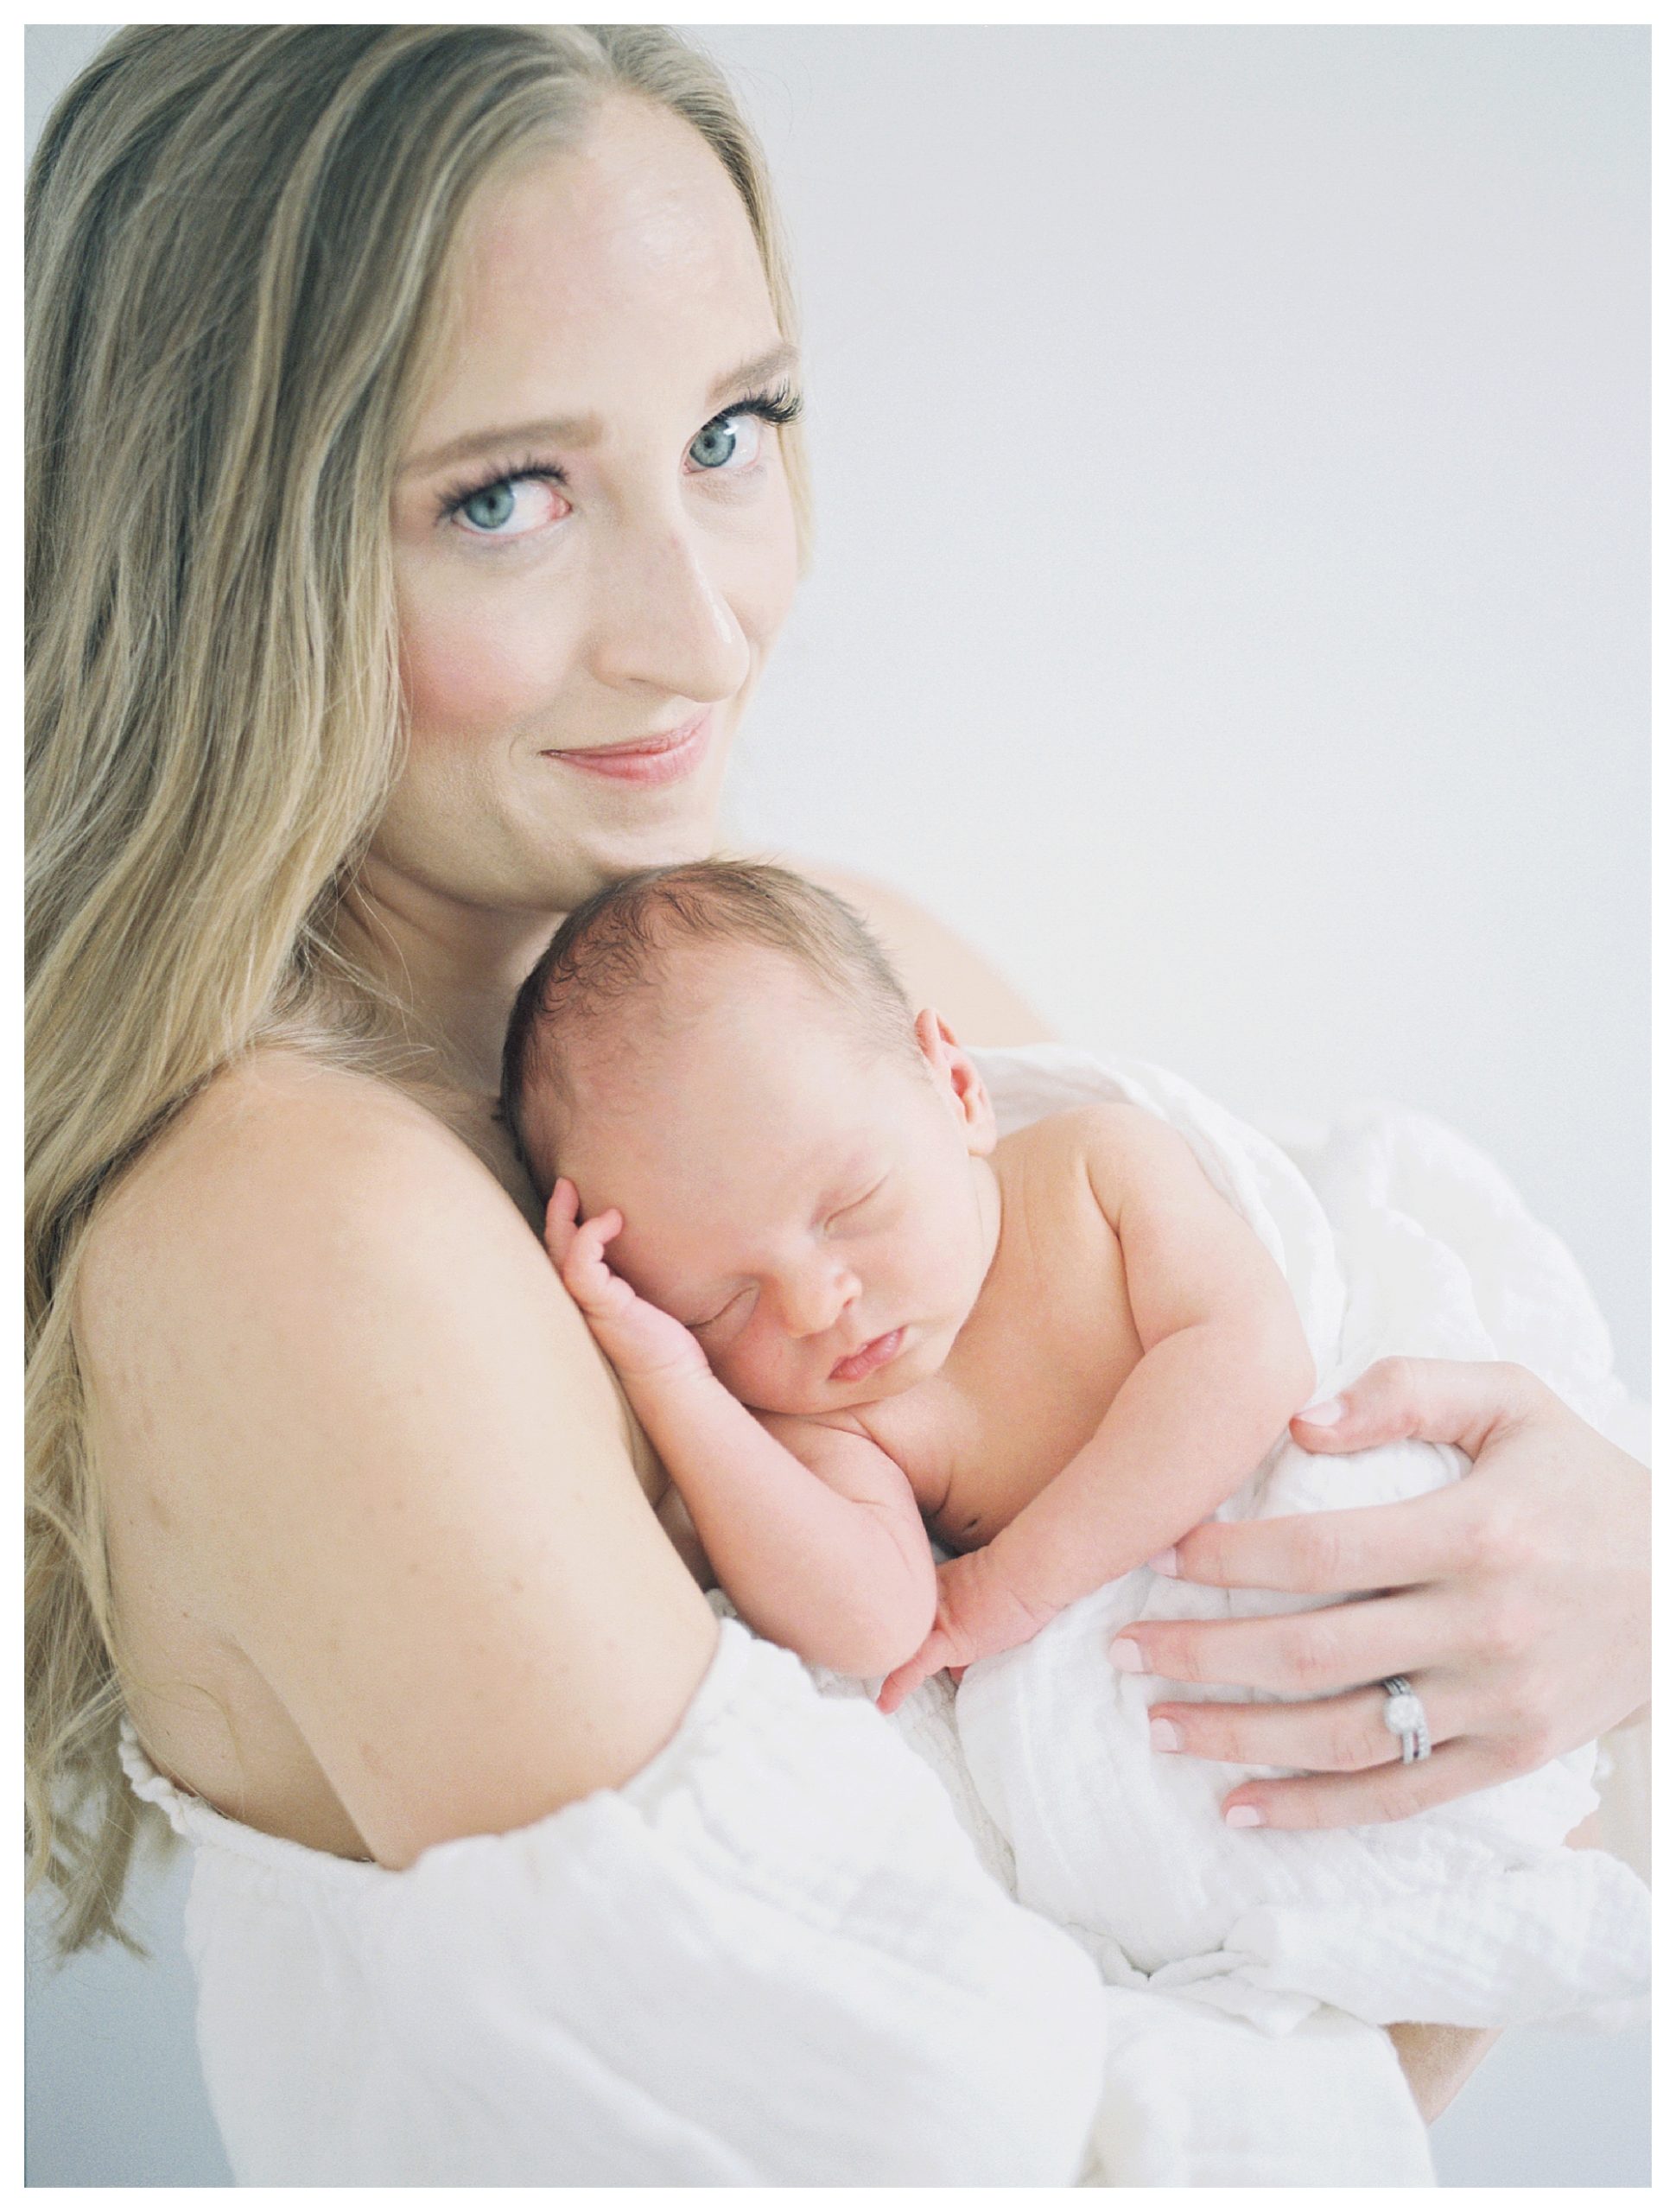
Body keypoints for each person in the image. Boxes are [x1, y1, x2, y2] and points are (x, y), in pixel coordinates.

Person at [24, 22, 1649, 2186]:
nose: (702, 631)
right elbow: (1029, 2161)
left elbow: (1296, 1435)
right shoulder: (304, 1235)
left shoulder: (868, 965)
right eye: (502, 496)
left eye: (730, 429)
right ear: (230, 555)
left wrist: (1598, 1584)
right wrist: (1581, 1774)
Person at [499, 856, 1648, 2036]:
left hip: (1333, 1517)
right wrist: (675, 1381)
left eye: (850, 1209)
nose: (815, 1304)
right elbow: (870, 1619)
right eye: (719, 1301)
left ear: (955, 1088)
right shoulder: (841, 1419)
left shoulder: (1095, 1172)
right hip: (1180, 1716)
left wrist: (1011, 1582)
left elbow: (1251, 1358)